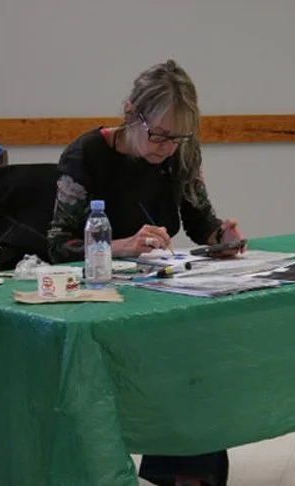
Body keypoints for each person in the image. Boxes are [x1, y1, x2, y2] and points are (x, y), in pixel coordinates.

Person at [47, 59, 244, 486]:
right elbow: (59, 245)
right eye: (158, 134)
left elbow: (199, 220)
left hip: (159, 286)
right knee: (171, 349)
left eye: (178, 138)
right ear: (130, 112)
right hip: (98, 295)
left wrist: (221, 236)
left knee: (199, 344)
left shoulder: (180, 154)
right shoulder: (86, 155)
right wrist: (118, 245)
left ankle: (187, 473)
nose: (166, 148)